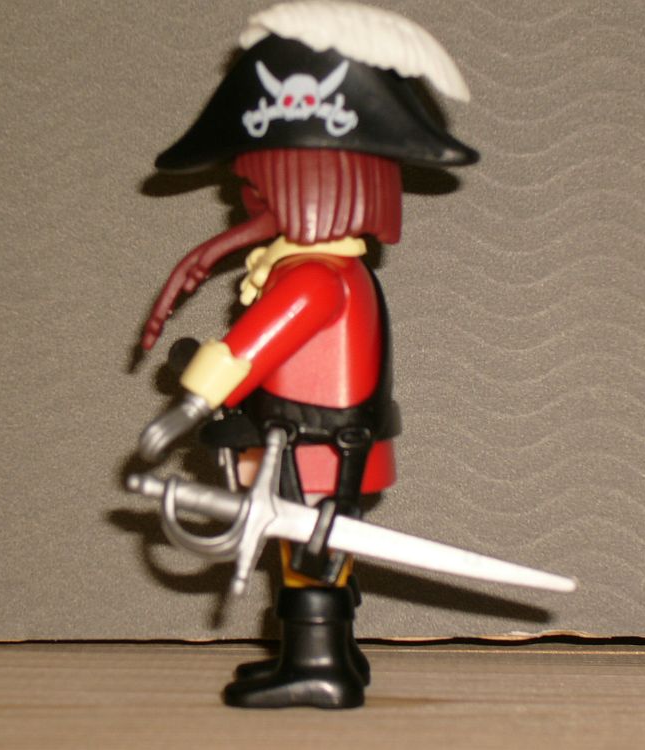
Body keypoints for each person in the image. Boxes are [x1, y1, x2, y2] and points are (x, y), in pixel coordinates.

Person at [137, 1, 477, 709]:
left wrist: (186, 408)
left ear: (303, 185)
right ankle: (334, 657)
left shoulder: (314, 278)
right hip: (316, 447)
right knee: (317, 551)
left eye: (256, 189)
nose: (246, 202)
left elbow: (246, 351)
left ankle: (317, 665)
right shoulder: (323, 268)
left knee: (309, 556)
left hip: (315, 452)